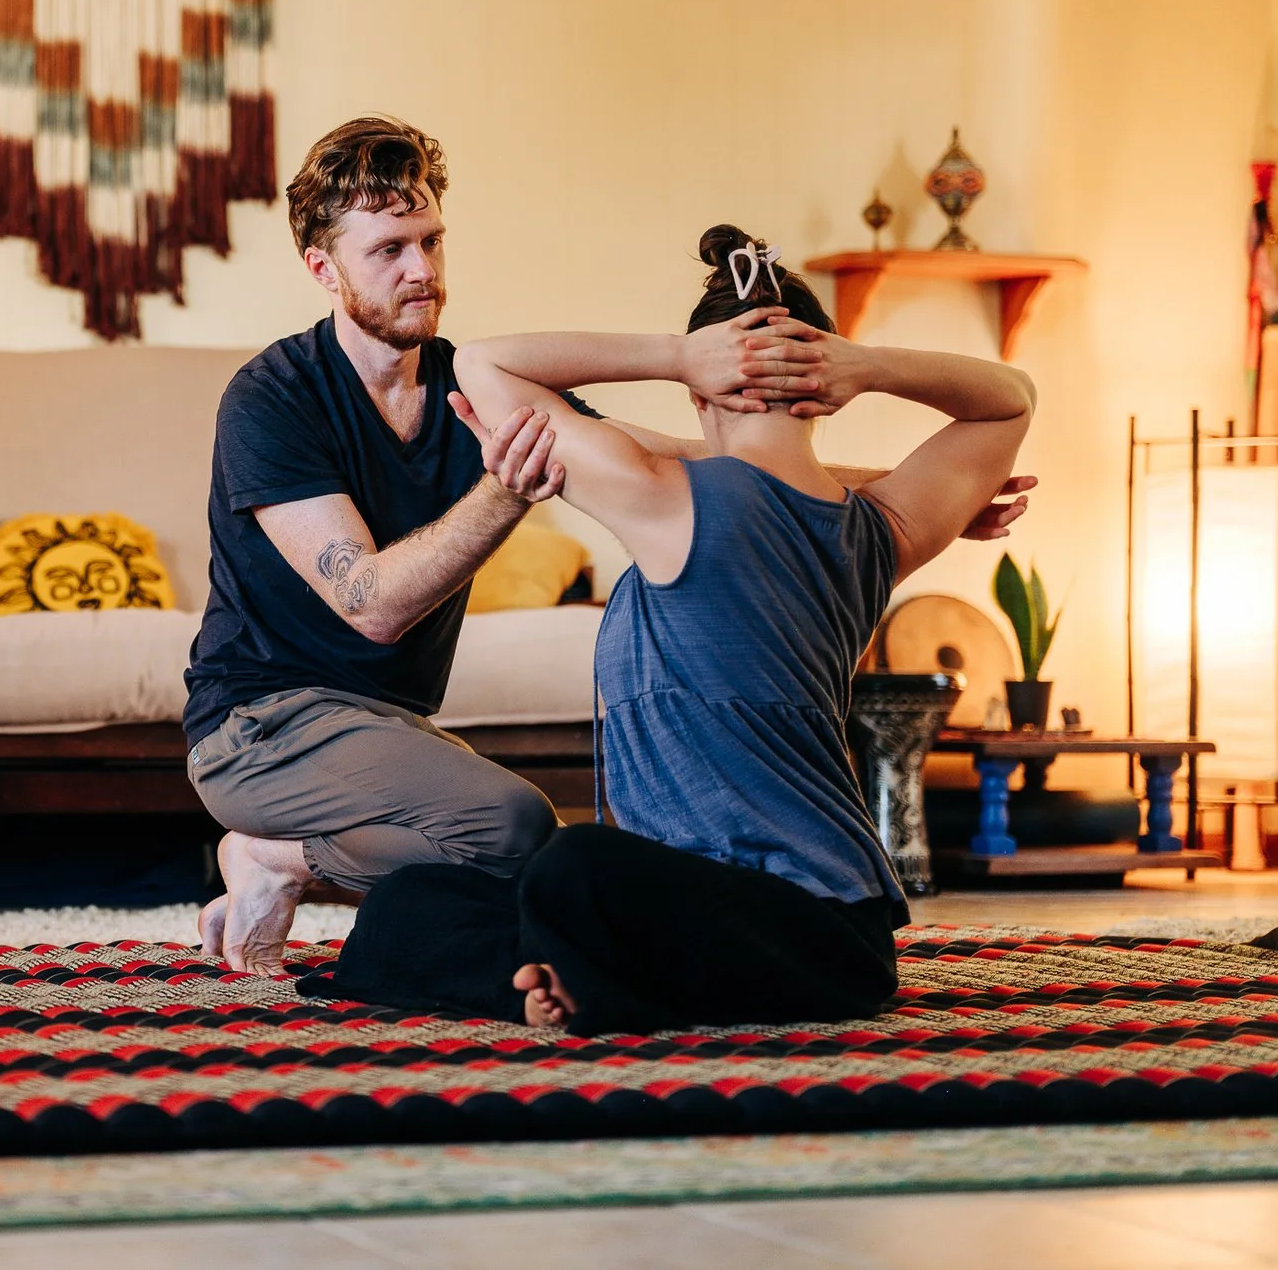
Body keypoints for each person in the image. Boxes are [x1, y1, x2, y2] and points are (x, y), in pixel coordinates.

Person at [184, 122, 1028, 977]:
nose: (424, 270)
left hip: (391, 726)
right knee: (518, 831)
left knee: (510, 871)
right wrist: (662, 370)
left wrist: (923, 491)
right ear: (323, 269)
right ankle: (272, 855)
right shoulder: (271, 397)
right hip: (261, 722)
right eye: (389, 249)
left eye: (432, 240)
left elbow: (695, 456)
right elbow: (371, 603)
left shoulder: (461, 385)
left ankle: (294, 869)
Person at [313, 224, 1037, 1034]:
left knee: (570, 866)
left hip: (794, 931)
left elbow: (481, 363)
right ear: (822, 389)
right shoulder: (882, 525)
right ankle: (556, 985)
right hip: (817, 939)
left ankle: (581, 978)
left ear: (702, 390)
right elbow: (1011, 397)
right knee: (414, 898)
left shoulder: (671, 497)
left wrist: (676, 353)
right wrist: (868, 367)